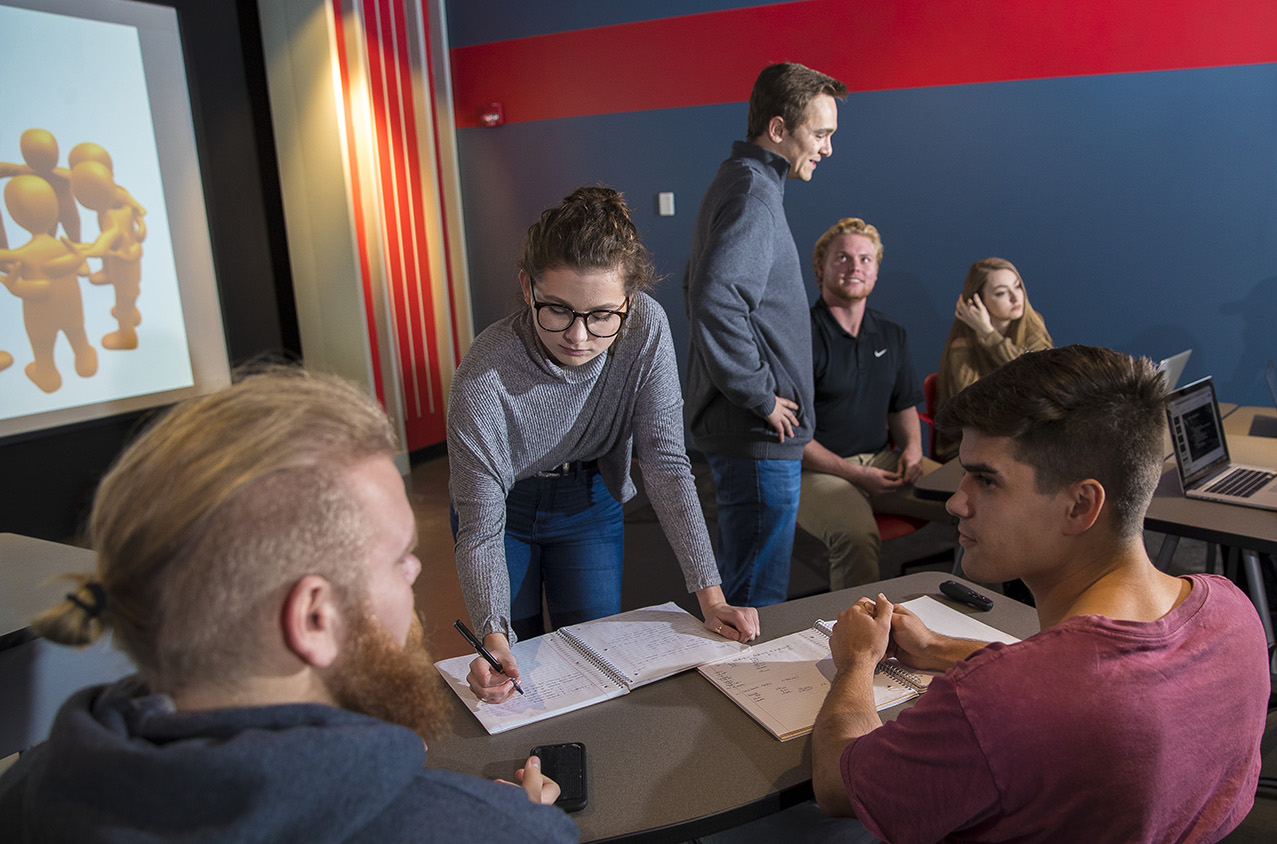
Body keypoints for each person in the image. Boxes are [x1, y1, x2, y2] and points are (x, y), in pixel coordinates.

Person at [0, 368, 576, 842]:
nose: (416, 571)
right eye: (399, 558)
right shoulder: (489, 831)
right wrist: (525, 825)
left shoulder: (27, 793)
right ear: (314, 619)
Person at [810, 345, 1268, 843]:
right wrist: (937, 648)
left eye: (986, 480)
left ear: (1080, 505)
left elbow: (836, 786)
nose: (957, 503)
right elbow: (1100, 676)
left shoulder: (998, 704)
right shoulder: (1234, 612)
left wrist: (856, 662)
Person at [449, 187, 758, 705]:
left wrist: (712, 597)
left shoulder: (645, 328)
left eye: (601, 316)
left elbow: (665, 462)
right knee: (518, 666)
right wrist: (493, 640)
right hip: (504, 509)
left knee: (595, 661)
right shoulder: (485, 371)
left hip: (588, 498)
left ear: (628, 302)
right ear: (527, 287)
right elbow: (479, 526)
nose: (579, 336)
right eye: (557, 310)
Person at [683, 61, 848, 606]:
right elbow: (714, 298)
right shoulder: (753, 192)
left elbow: (698, 286)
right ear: (778, 129)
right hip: (756, 435)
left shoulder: (746, 183)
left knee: (748, 594)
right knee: (756, 604)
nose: (827, 149)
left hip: (750, 434)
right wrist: (760, 395)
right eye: (819, 134)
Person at [796, 217, 950, 589]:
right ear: (820, 267)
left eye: (865, 259)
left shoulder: (891, 333)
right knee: (856, 537)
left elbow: (903, 406)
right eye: (843, 258)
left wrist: (912, 449)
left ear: (876, 271)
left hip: (881, 461)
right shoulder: (799, 335)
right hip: (813, 471)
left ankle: (982, 610)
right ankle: (855, 624)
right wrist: (855, 475)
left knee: (978, 503)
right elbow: (793, 437)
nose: (855, 267)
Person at [932, 257, 1052, 461]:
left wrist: (990, 336)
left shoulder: (1033, 323)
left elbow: (1039, 374)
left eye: (1017, 286)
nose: (1016, 297)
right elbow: (971, 411)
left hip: (1025, 436)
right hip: (975, 445)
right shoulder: (962, 345)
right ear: (977, 301)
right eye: (1001, 292)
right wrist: (987, 333)